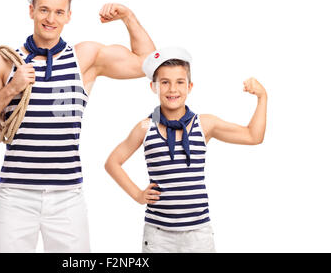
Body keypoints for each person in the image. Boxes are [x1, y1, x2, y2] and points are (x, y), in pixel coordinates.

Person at [0, 0, 155, 252]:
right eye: (44, 9)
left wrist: (129, 17)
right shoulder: (5, 63)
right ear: (31, 11)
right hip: (15, 195)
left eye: (59, 11)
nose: (50, 18)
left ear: (68, 16)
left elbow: (147, 64)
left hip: (67, 197)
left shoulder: (84, 58)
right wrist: (10, 90)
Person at [105, 47, 267, 252]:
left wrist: (263, 98)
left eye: (180, 82)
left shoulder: (204, 124)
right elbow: (112, 162)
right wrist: (137, 194)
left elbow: (253, 136)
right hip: (158, 234)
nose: (173, 89)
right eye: (165, 82)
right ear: (153, 87)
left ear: (190, 86)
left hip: (198, 234)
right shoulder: (145, 127)